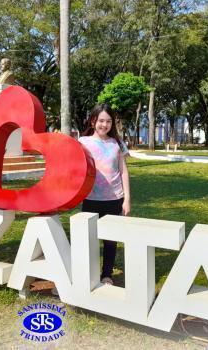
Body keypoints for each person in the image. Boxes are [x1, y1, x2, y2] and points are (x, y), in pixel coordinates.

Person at [78, 104, 131, 286]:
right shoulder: (83, 142)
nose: (104, 124)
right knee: (88, 238)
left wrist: (127, 200)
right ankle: (87, 274)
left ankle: (107, 274)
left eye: (108, 121)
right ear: (93, 121)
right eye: (101, 120)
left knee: (110, 240)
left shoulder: (117, 143)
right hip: (90, 199)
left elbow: (124, 172)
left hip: (114, 199)